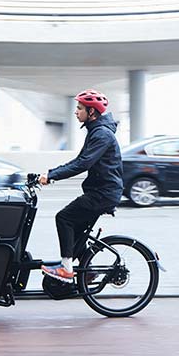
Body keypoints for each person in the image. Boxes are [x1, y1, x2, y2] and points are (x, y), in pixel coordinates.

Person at [39, 89, 123, 282]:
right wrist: (49, 174)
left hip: (103, 194)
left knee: (64, 218)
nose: (76, 112)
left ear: (91, 112)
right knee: (77, 231)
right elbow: (79, 160)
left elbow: (83, 164)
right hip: (102, 191)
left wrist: (51, 176)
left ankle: (66, 269)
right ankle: (88, 271)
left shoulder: (101, 134)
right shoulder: (96, 131)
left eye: (79, 108)